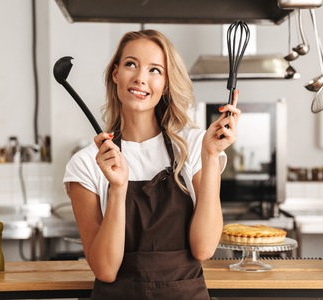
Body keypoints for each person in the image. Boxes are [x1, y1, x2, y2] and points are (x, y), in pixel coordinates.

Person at [63, 29, 240, 300]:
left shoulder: (194, 145)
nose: (140, 78)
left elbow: (203, 249)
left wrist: (211, 157)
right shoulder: (86, 163)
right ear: (115, 73)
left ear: (167, 83)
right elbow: (105, 270)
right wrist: (118, 188)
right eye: (131, 64)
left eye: (155, 70)